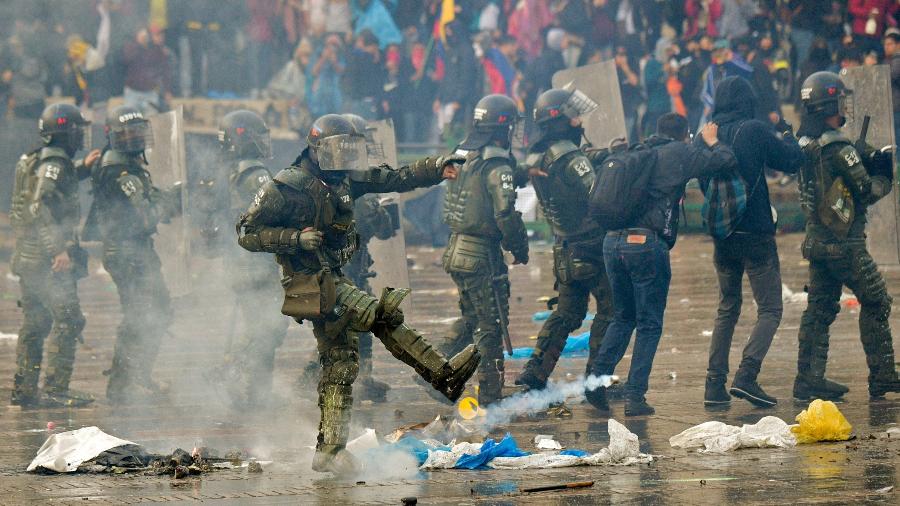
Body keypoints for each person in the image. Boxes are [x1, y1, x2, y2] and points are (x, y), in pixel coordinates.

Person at [236, 113, 479, 473]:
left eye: (349, 151)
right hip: (306, 283)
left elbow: (397, 177)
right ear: (315, 149)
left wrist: (438, 166)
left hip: (334, 278)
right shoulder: (286, 187)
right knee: (381, 316)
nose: (343, 160)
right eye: (336, 151)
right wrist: (293, 239)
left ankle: (330, 452)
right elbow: (245, 231)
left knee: (342, 364)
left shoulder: (347, 178)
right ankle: (442, 374)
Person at [588, 113, 738, 416]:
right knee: (649, 324)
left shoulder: (638, 151)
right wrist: (712, 140)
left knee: (622, 317)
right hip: (645, 244)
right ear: (685, 134)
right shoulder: (680, 152)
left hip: (612, 242)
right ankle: (635, 397)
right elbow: (724, 161)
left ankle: (595, 383)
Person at [794, 71, 900, 401]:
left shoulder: (803, 143)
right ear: (829, 106)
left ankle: (808, 379)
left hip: (817, 240)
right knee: (877, 301)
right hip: (846, 243)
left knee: (819, 309)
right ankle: (883, 376)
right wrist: (885, 175)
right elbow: (865, 190)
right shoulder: (839, 147)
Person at [700, 76, 804, 408]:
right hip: (756, 233)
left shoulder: (708, 135)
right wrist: (789, 133)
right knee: (771, 308)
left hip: (723, 236)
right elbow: (791, 161)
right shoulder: (754, 130)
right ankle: (746, 375)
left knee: (727, 308)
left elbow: (702, 182)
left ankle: (714, 385)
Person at [513, 88, 613, 397]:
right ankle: (596, 380)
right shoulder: (569, 154)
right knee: (611, 311)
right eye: (573, 115)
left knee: (567, 314)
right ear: (559, 120)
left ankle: (535, 372)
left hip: (565, 247)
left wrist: (605, 153)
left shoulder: (538, 154)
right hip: (592, 246)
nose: (579, 120)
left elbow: (571, 164)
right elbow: (597, 193)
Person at [85, 106, 181, 405]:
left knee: (159, 308)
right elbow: (146, 214)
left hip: (134, 250)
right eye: (127, 133)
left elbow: (148, 200)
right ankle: (123, 384)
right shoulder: (120, 170)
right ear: (112, 136)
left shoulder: (126, 163)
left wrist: (171, 195)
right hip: (127, 252)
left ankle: (136, 376)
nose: (134, 138)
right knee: (139, 315)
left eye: (139, 131)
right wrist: (173, 202)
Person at [439, 94, 529, 407]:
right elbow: (504, 212)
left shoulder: (462, 152)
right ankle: (491, 395)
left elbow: (477, 185)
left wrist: (522, 172)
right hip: (481, 256)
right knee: (490, 325)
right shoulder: (496, 162)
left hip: (455, 248)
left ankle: (429, 369)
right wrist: (519, 247)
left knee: (471, 317)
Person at [9, 103, 99, 408]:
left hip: (27, 256)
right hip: (48, 260)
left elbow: (48, 183)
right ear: (66, 133)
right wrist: (58, 249)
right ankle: (56, 388)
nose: (80, 136)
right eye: (76, 130)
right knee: (69, 318)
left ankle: (24, 388)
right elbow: (42, 203)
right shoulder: (56, 163)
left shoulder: (36, 158)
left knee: (35, 321)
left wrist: (83, 169)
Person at [211, 110, 290, 409]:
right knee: (268, 326)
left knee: (260, 324)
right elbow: (278, 209)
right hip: (254, 263)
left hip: (238, 259)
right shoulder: (254, 173)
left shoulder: (224, 171)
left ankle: (258, 395)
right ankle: (227, 374)